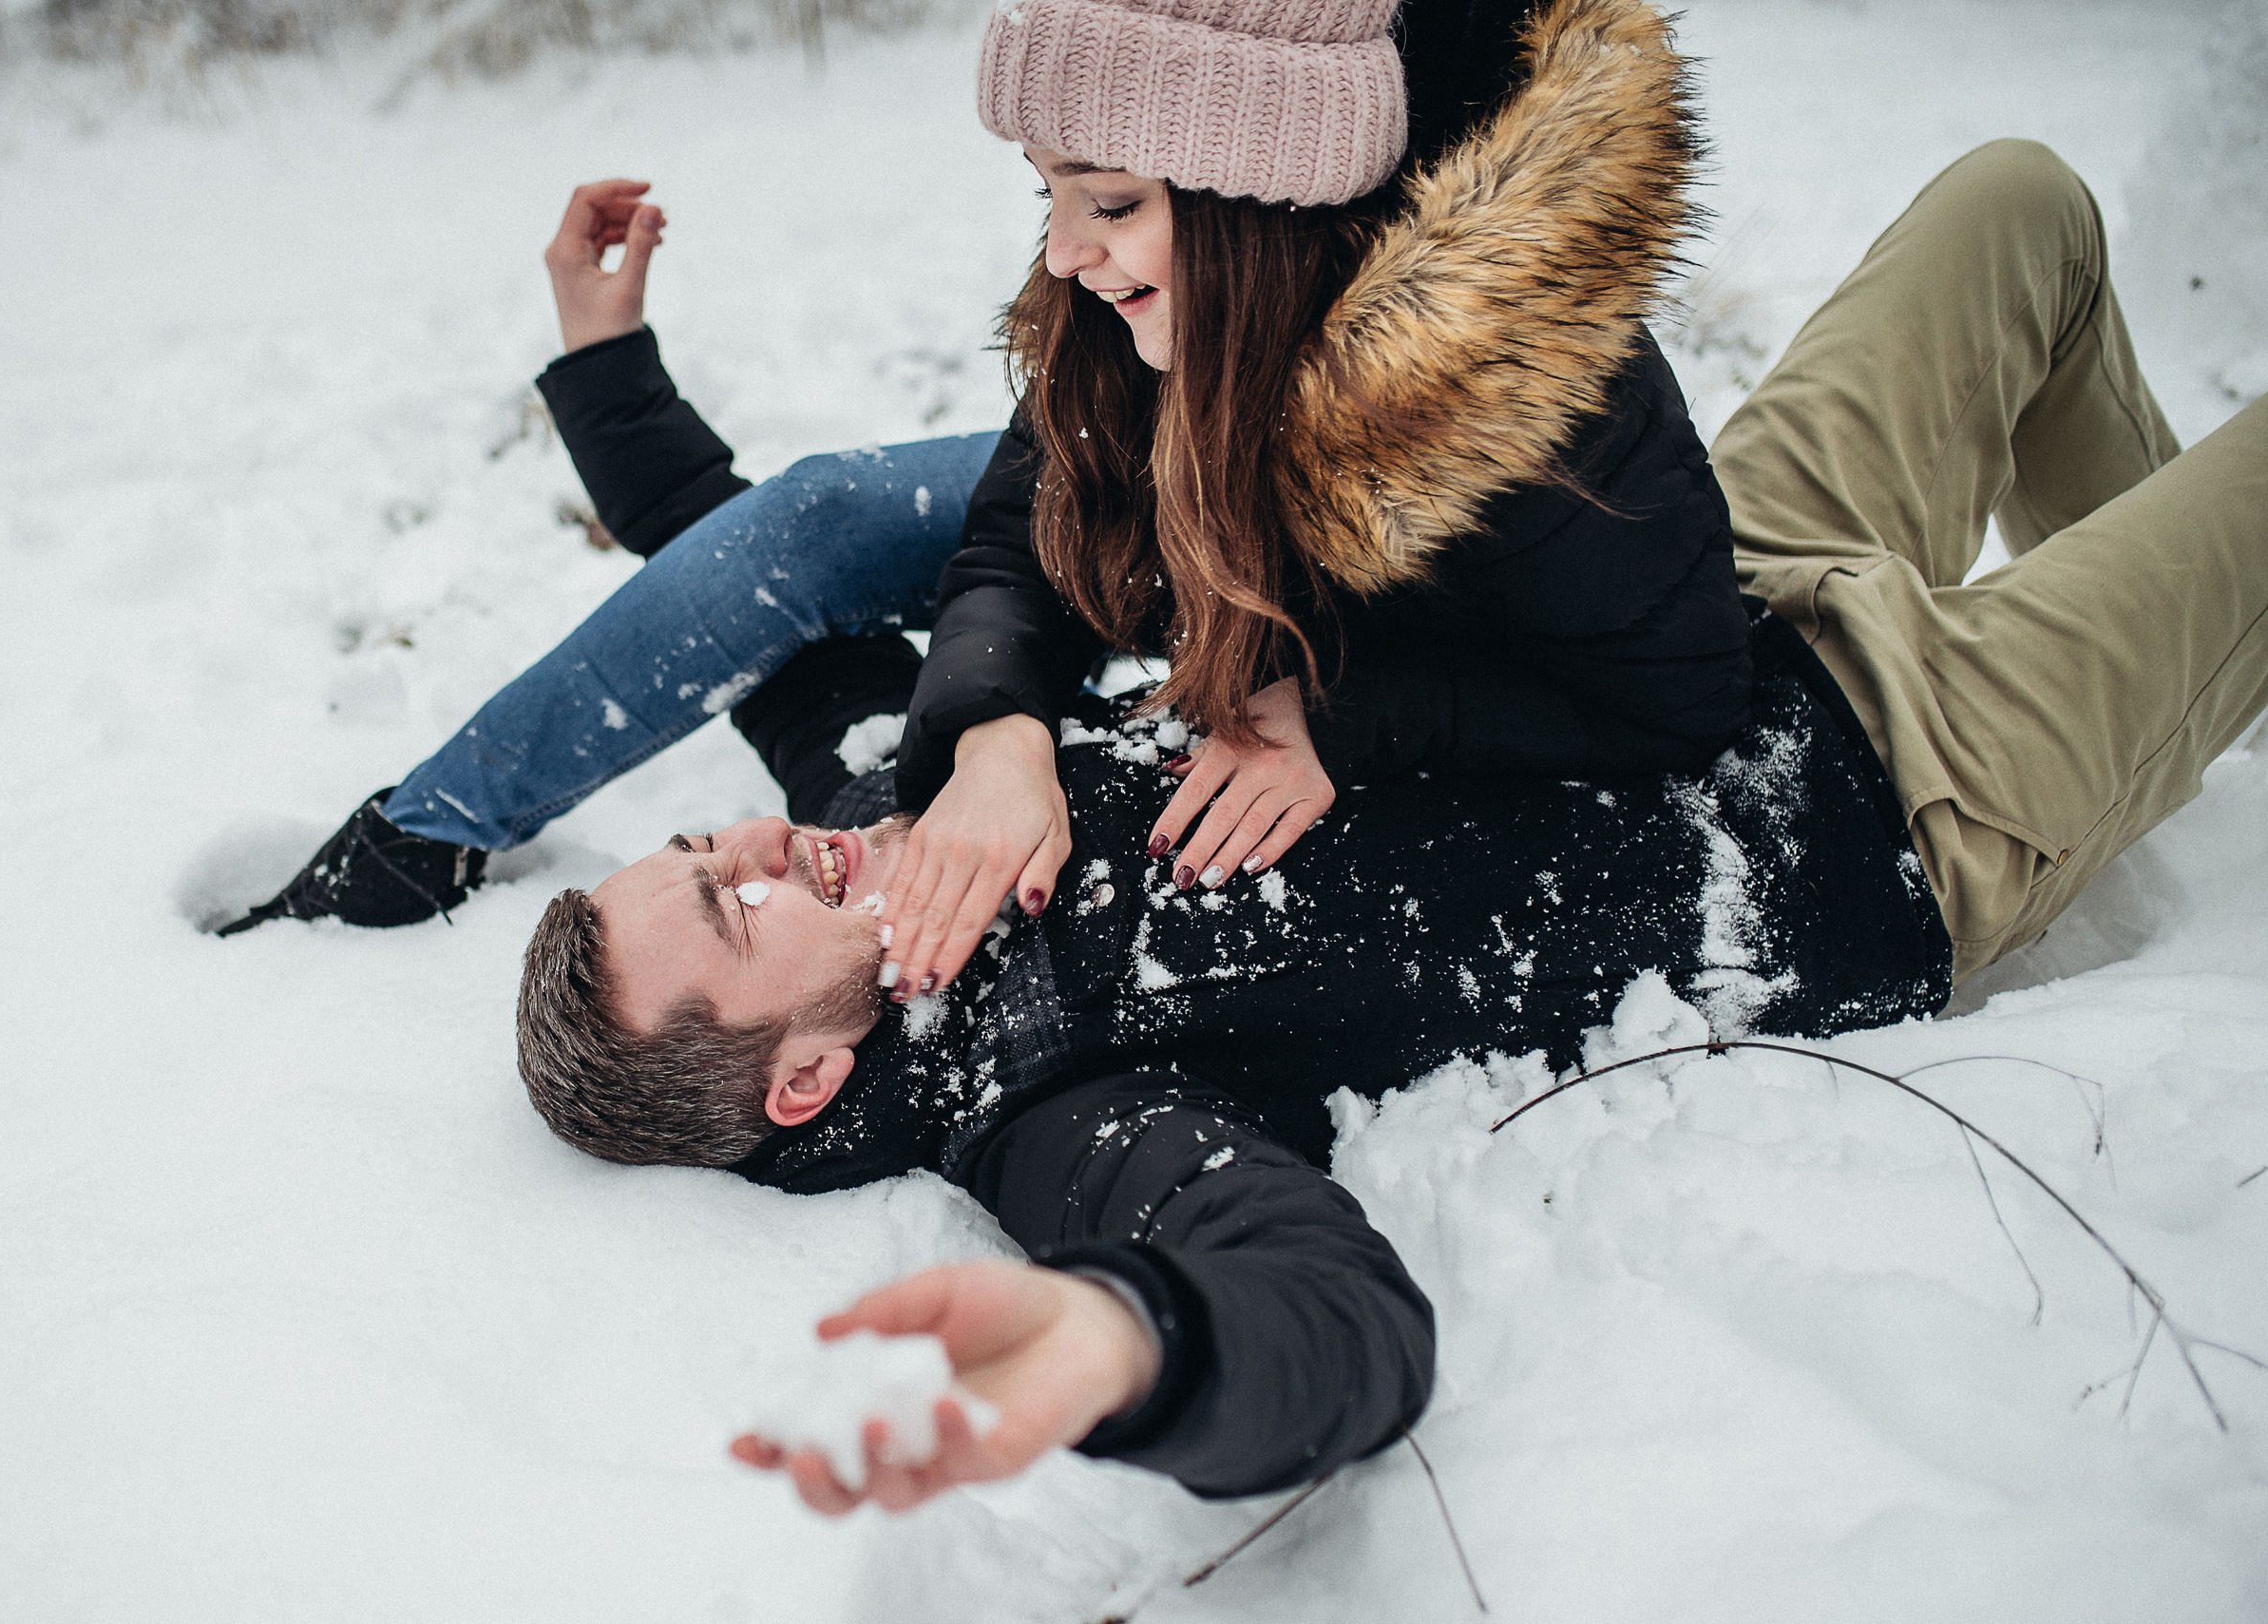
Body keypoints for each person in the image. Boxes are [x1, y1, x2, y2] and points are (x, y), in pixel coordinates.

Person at [517, 127, 2268, 1512]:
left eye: (702, 851)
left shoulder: (899, 811)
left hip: (1665, 604)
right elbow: (1319, 1310)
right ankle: (2181, 650)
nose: (753, 854)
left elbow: (785, 637)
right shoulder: (1059, 1096)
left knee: (2020, 208)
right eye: (735, 914)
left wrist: (606, 378)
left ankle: (2210, 668)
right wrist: (1131, 1342)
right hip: (1880, 796)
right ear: (807, 1078)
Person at [220, 0, 1750, 962]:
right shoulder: (1138, 328)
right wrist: (998, 728)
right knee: (829, 516)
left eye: (1110, 203)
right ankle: (413, 840)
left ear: (1261, 206)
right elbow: (1026, 532)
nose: (1065, 256)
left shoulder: (1547, 412)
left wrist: (1343, 717)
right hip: (1222, 513)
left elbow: (1684, 708)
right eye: (1052, 201)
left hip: (1384, 611)